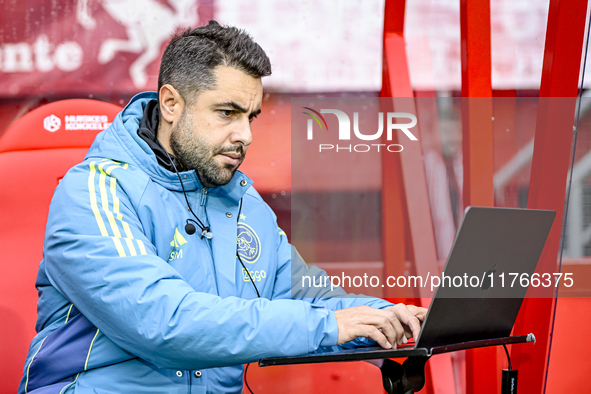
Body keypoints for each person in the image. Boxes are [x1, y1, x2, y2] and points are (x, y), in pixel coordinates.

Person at [19, 20, 426, 394]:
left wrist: (395, 317)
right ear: (171, 104)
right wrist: (328, 325)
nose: (245, 135)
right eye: (227, 113)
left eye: (251, 116)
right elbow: (163, 322)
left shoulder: (243, 203)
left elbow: (307, 298)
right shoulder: (94, 190)